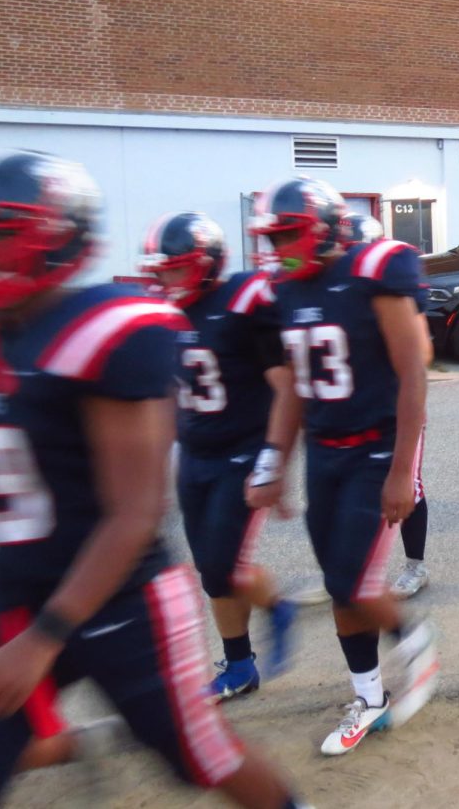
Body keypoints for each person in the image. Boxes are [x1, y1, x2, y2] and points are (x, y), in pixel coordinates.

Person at [0, 150, 301, 809]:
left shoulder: (107, 329)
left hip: (119, 599)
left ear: (54, 236)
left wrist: (43, 639)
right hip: (17, 591)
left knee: (201, 755)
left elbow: (134, 512)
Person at [247, 176, 437, 756]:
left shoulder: (374, 272)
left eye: (290, 234)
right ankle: (370, 696)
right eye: (274, 237)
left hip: (375, 444)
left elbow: (413, 374)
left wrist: (403, 469)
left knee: (354, 582)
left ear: (326, 230)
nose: (280, 248)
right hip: (327, 450)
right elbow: (293, 390)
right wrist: (273, 461)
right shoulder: (285, 291)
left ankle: (414, 642)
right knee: (339, 585)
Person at [139, 212, 296, 701]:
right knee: (211, 571)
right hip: (195, 452)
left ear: (206, 264)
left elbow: (285, 386)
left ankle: (277, 605)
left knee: (227, 565)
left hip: (242, 450)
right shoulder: (165, 313)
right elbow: (169, 390)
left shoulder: (243, 301)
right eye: (162, 269)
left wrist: (275, 460)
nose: (167, 278)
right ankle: (239, 664)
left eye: (177, 268)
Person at [340, 213, 432, 600]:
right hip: (350, 405)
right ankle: (345, 565)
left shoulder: (394, 289)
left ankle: (415, 565)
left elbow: (422, 352)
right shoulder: (334, 291)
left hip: (394, 402)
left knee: (407, 485)